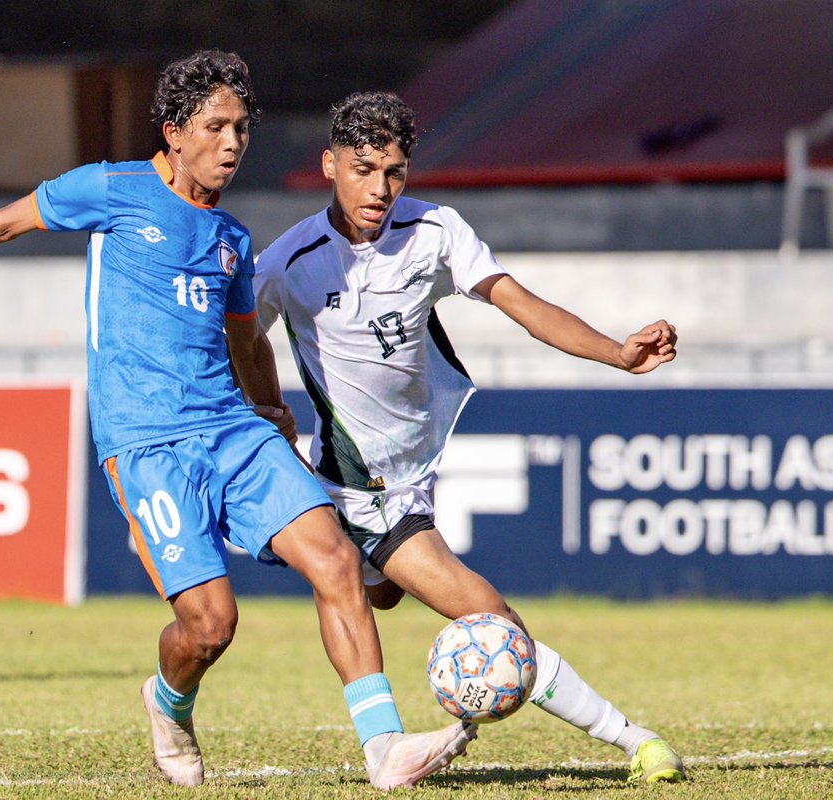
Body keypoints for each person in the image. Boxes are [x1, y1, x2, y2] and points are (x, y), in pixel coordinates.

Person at [0, 52, 475, 790]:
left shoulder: (230, 238)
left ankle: (383, 746)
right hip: (145, 443)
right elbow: (3, 223)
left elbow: (243, 337)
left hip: (234, 430)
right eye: (215, 127)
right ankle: (168, 702)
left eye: (241, 129)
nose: (232, 143)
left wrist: (272, 408)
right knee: (210, 626)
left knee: (332, 560)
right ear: (173, 131)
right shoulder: (113, 189)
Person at [253, 91, 686, 784]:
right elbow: (237, 336)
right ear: (330, 164)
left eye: (393, 171)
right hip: (347, 486)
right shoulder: (289, 260)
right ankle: (636, 741)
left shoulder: (435, 231)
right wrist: (263, 409)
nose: (379, 188)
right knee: (493, 621)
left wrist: (616, 353)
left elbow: (520, 304)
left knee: (379, 595)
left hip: (411, 476)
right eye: (362, 169)